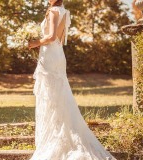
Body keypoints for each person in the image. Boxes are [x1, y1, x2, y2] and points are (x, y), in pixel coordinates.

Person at [28, 0, 116, 159]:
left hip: (50, 55)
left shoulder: (54, 11)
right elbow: (60, 40)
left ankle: (57, 137)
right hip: (57, 54)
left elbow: (52, 36)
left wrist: (33, 43)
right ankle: (59, 132)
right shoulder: (63, 10)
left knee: (51, 96)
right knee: (58, 95)